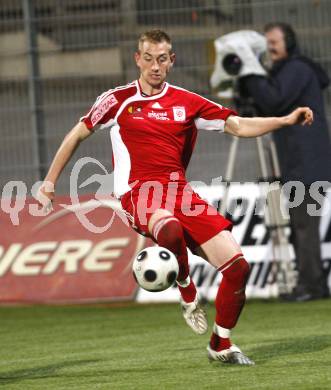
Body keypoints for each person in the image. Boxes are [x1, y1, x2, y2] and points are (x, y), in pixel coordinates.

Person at [37, 29, 313, 364]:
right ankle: (187, 288)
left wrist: (285, 119)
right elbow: (76, 134)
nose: (155, 66)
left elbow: (238, 126)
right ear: (138, 59)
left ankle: (221, 344)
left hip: (180, 193)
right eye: (149, 58)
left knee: (238, 267)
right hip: (138, 193)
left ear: (172, 60)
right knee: (168, 229)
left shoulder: (187, 101)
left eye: (162, 59)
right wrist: (49, 183)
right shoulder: (118, 99)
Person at [239, 22, 331, 302]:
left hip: (306, 163)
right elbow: (268, 104)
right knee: (301, 225)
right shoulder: (289, 71)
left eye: (273, 43)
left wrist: (249, 71)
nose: (269, 49)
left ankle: (311, 286)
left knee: (304, 226)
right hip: (301, 162)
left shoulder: (296, 69)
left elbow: (272, 99)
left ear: (288, 43)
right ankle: (311, 283)